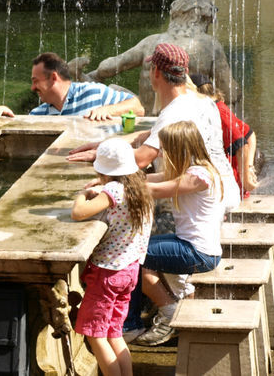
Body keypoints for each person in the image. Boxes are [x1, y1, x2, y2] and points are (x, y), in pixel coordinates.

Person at [70, 43, 239, 213]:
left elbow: (141, 159)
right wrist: (105, 144)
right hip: (226, 189)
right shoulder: (203, 100)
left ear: (156, 71)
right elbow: (149, 134)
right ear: (185, 73)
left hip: (208, 202)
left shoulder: (174, 112)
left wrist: (102, 156)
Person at [130, 121, 225, 347]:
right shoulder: (193, 170)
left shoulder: (199, 176)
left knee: (134, 256)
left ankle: (169, 314)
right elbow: (148, 179)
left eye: (165, 148)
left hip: (198, 253)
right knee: (145, 247)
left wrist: (114, 189)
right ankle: (179, 297)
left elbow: (154, 189)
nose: (161, 153)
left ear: (180, 149)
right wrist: (116, 177)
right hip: (193, 247)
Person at [71, 139, 153, 375]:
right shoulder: (138, 186)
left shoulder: (114, 191)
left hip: (107, 274)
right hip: (129, 271)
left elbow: (78, 213)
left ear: (102, 170)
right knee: (114, 333)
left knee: (95, 336)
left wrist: (84, 194)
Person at [79, 0, 239, 114]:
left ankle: (85, 79)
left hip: (146, 116)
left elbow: (111, 66)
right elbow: (229, 92)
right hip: (185, 123)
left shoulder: (152, 41)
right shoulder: (210, 45)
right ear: (203, 18)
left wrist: (95, 75)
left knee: (113, 89)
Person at [0, 52, 144, 120]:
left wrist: (107, 110)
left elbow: (137, 107)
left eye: (35, 81)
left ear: (53, 78)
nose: (32, 88)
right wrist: (6, 117)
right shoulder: (39, 114)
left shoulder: (94, 92)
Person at [190, 74, 261, 195]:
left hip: (228, 184)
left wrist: (246, 177)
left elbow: (244, 141)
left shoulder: (219, 111)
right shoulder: (214, 108)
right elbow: (248, 133)